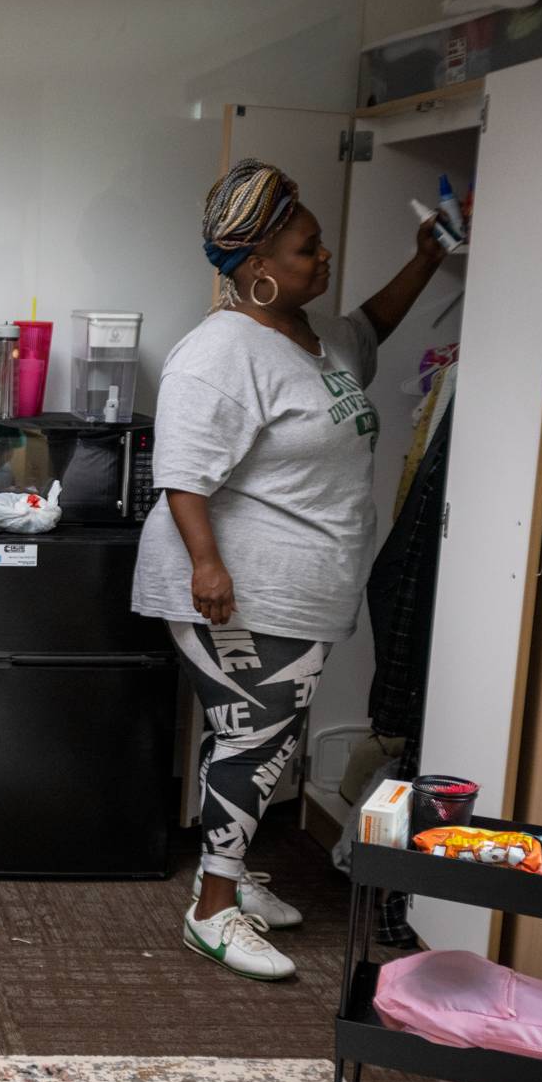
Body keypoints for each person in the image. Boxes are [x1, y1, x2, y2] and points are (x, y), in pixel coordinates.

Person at [132, 158, 446, 981]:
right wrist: (208, 568)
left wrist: (427, 257)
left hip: (305, 585)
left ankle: (228, 876)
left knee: (258, 739)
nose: (324, 258)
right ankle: (212, 913)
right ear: (258, 267)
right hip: (240, 585)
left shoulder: (317, 334)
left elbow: (370, 326)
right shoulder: (221, 353)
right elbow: (182, 475)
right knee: (255, 743)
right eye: (308, 250)